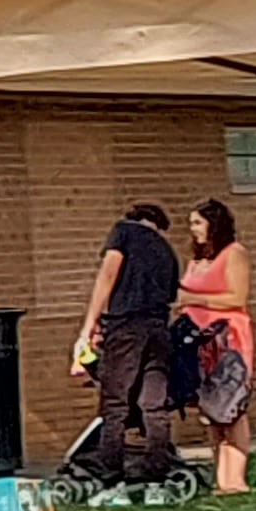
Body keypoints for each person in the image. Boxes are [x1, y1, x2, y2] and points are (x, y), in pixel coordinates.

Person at [79, 199, 182, 482]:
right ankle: (156, 472)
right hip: (159, 331)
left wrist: (88, 327)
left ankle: (109, 471)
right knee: (154, 404)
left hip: (125, 328)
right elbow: (172, 297)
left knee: (115, 403)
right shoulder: (168, 252)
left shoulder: (124, 231)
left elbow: (108, 275)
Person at [177, 197, 256, 494]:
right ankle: (221, 476)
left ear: (215, 223)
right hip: (198, 340)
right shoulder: (197, 260)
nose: (193, 229)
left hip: (228, 339)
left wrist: (193, 300)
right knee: (210, 407)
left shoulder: (234, 254)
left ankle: (236, 479)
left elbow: (236, 298)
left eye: (198, 222)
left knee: (231, 405)